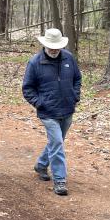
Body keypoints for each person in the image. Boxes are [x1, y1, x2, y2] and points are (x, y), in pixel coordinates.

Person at [21, 28, 81, 196]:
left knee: (57, 142)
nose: (54, 50)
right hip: (48, 112)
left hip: (67, 109)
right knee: (57, 144)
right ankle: (60, 180)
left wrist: (75, 95)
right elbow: (27, 88)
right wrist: (40, 103)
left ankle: (41, 165)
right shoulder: (35, 62)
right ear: (45, 45)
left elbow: (77, 79)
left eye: (57, 47)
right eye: (51, 47)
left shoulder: (69, 58)